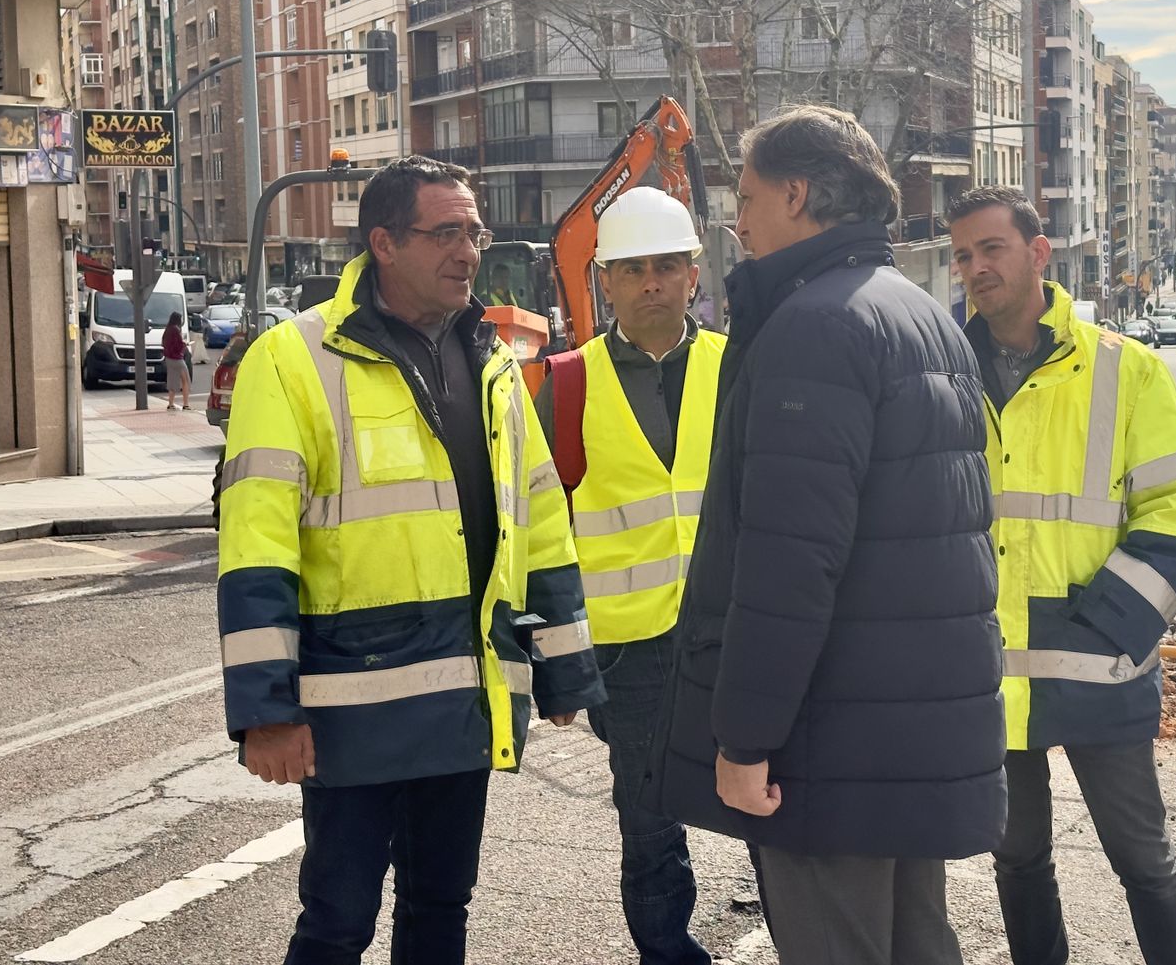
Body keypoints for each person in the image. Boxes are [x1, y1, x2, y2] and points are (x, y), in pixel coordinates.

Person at [216, 155, 605, 965]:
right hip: (350, 706)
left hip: (463, 699)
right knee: (338, 922)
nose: (468, 250)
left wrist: (566, 669)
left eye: (475, 230)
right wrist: (265, 709)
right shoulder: (294, 358)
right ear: (384, 242)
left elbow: (539, 523)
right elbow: (256, 547)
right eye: (446, 232)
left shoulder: (493, 361)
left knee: (441, 906)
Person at [650, 105, 1005, 965]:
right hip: (909, 725)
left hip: (828, 738)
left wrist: (744, 739)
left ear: (797, 193)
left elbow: (786, 565)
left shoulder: (812, 328)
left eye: (749, 194)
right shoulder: (918, 315)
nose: (736, 219)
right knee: (918, 941)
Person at [945, 186, 1176, 965]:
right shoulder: (949, 373)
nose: (975, 268)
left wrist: (1107, 626)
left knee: (1144, 859)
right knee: (1018, 856)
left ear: (1038, 253)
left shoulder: (1126, 370)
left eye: (991, 248)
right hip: (993, 669)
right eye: (963, 255)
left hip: (1099, 661)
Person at [533, 188, 726, 965]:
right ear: (603, 281)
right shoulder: (564, 385)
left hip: (734, 633)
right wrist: (558, 664)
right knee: (649, 828)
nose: (652, 280)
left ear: (693, 274)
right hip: (628, 650)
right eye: (634, 268)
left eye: (668, 265)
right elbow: (537, 536)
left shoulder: (741, 367)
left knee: (776, 815)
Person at [162, 311, 191, 411]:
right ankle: (186, 404)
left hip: (169, 358)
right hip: (177, 359)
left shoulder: (167, 330)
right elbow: (178, 344)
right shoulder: (176, 330)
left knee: (172, 380)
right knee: (185, 380)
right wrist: (185, 344)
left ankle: (170, 403)